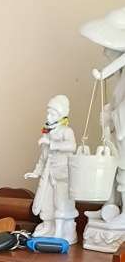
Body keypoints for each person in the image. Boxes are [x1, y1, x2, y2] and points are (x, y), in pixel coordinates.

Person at [80, 7, 125, 251]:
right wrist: (109, 115)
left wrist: (114, 117)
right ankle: (110, 205)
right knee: (111, 167)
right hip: (118, 129)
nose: (105, 51)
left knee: (123, 171)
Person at [24, 95, 78, 243]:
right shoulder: (47, 133)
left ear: (61, 115)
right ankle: (48, 226)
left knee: (61, 202)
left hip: (62, 174)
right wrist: (36, 172)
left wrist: (52, 144)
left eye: (53, 114)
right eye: (48, 113)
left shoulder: (66, 131)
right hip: (48, 173)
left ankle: (61, 230)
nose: (48, 117)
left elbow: (72, 146)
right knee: (46, 201)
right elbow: (43, 156)